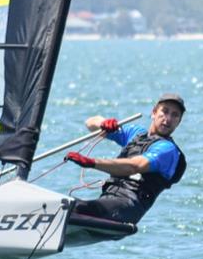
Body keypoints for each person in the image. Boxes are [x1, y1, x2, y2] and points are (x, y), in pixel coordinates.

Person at [63, 93, 187, 224]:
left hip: (128, 206)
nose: (168, 118)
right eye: (165, 111)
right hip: (108, 199)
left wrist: (92, 163)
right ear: (154, 113)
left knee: (72, 208)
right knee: (63, 204)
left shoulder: (167, 150)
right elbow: (90, 123)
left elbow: (134, 166)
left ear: (178, 122)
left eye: (175, 115)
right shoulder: (136, 133)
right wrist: (103, 123)